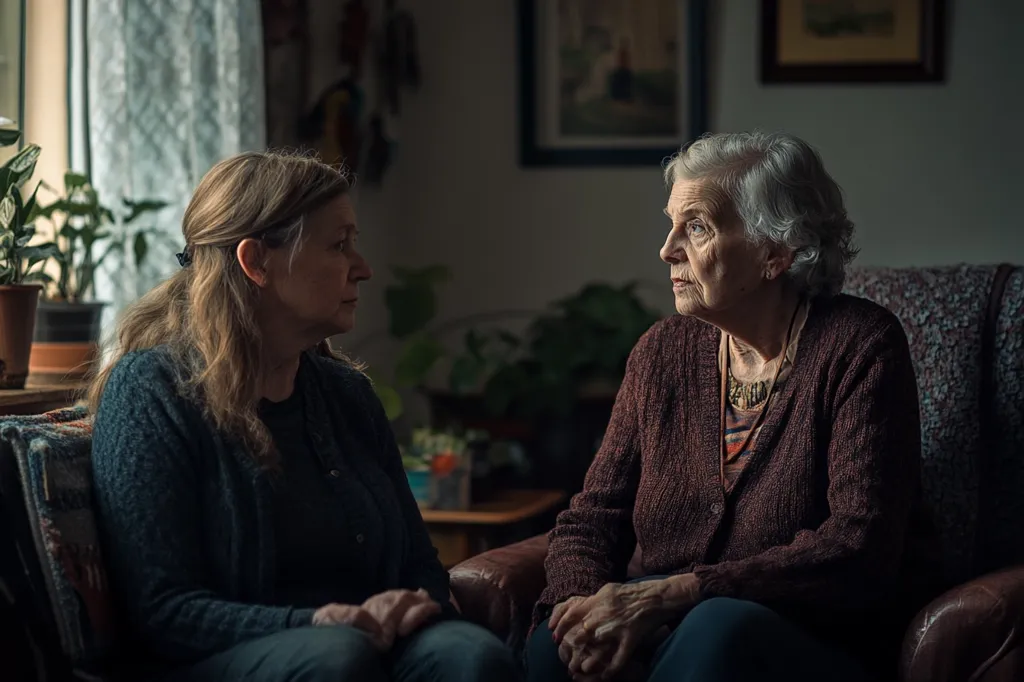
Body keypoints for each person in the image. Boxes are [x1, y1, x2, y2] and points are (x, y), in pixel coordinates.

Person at [88, 151, 521, 682]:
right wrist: (322, 621)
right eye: (339, 245)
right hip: (221, 656)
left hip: (363, 640)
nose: (362, 268)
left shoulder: (349, 396)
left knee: (471, 656)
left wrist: (414, 609)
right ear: (256, 263)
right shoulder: (151, 392)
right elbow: (164, 612)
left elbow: (418, 564)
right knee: (338, 659)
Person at [526, 131, 933, 682]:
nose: (667, 249)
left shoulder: (861, 346)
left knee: (717, 629)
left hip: (804, 637)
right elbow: (593, 517)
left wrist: (682, 592)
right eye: (670, 224)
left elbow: (859, 546)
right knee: (556, 647)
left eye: (696, 227)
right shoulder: (663, 352)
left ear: (775, 253)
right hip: (668, 623)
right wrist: (577, 610)